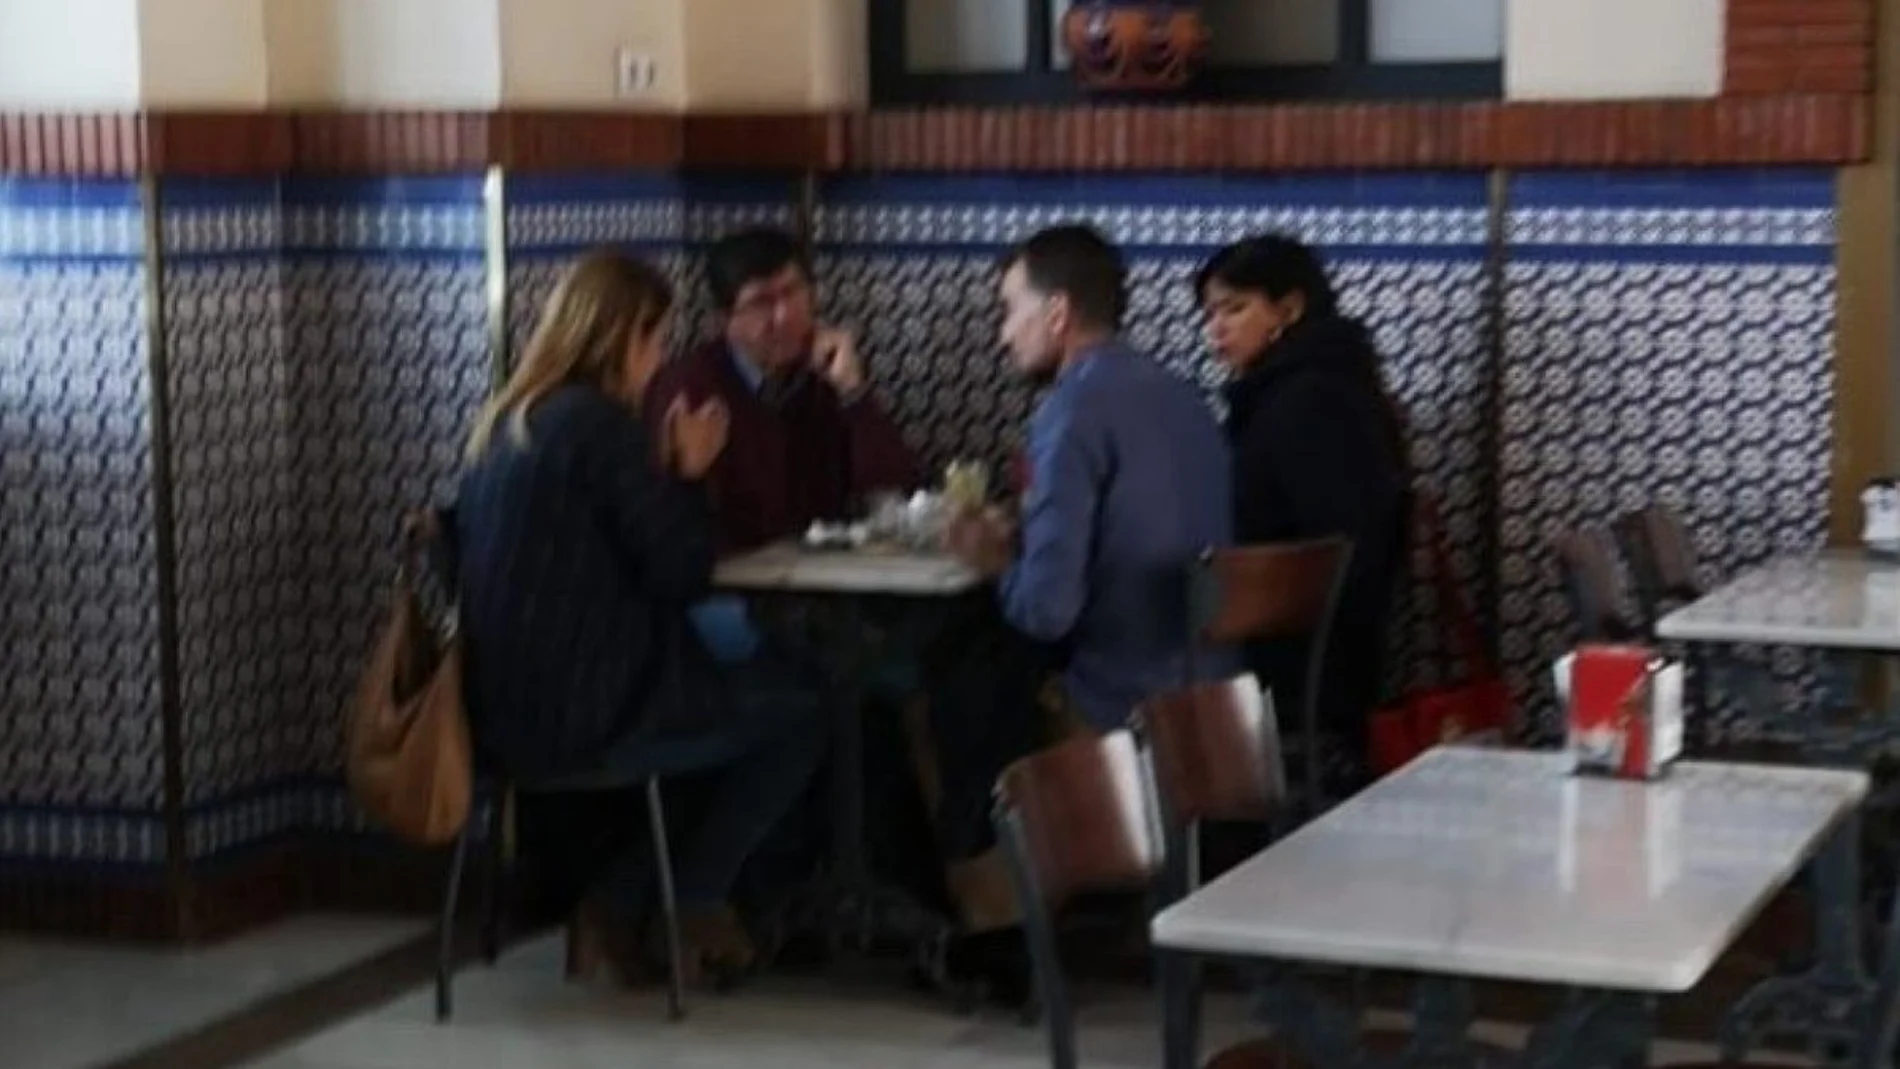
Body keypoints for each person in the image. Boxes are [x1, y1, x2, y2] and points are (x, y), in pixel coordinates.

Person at [454, 249, 824, 988]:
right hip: (590, 713)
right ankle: (683, 898)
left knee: (733, 698)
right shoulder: (599, 428)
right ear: (622, 337)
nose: (659, 361)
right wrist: (688, 473)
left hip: (493, 718)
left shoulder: (508, 423)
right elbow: (680, 574)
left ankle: (627, 903)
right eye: (654, 341)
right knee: (803, 709)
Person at [949, 224, 1237, 732]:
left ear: (1057, 314)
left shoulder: (1070, 412)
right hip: (1216, 709)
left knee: (953, 697)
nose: (1004, 333)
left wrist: (995, 562)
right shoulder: (1184, 397)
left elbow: (1046, 611)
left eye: (1011, 310)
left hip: (1121, 712)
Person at [1194, 234, 1410, 780]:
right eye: (1210, 313)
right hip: (1328, 671)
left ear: (1288, 309)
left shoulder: (1305, 402)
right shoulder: (1323, 384)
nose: (1215, 329)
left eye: (1235, 309)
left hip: (1302, 677)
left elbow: (1341, 547)